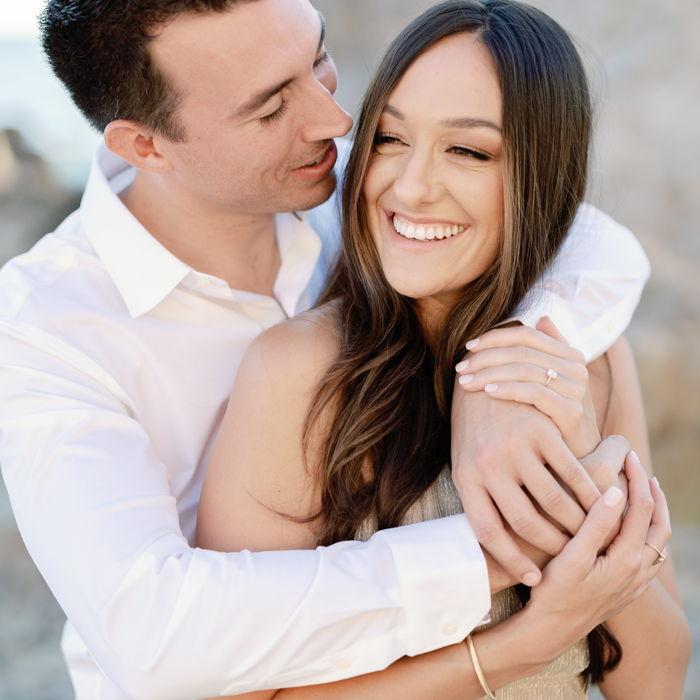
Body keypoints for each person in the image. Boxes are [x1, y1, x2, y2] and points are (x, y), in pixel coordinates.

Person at [0, 0, 662, 698]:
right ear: (144, 146)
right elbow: (156, 639)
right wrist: (496, 553)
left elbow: (584, 237)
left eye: (317, 58)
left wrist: (497, 369)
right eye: (270, 108)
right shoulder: (46, 328)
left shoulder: (360, 184)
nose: (336, 121)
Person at [196, 1, 690, 698]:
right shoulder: (301, 374)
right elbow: (235, 689)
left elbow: (656, 679)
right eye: (390, 139)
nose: (410, 186)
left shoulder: (590, 360)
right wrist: (528, 641)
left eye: (467, 151)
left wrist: (585, 482)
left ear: (543, 176)